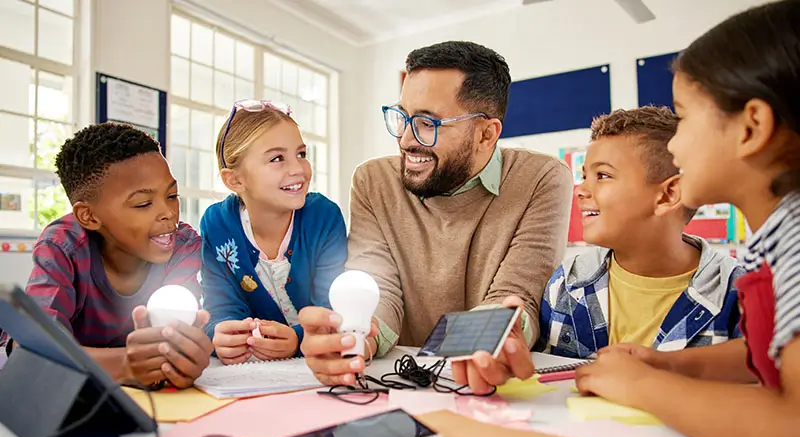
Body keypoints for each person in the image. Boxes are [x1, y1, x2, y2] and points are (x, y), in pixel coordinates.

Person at [576, 0, 800, 437]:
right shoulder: (776, 238)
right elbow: (770, 355)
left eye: (686, 118)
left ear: (751, 127)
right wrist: (670, 366)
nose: (675, 146)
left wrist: (644, 387)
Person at [299, 41, 573, 392]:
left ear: (486, 134)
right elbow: (378, 286)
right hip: (396, 384)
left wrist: (488, 340)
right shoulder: (372, 181)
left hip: (499, 388)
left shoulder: (542, 178)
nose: (406, 139)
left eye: (428, 122)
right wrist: (360, 335)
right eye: (403, 117)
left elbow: (518, 292)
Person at [9, 122, 212, 389]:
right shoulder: (63, 245)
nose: (169, 213)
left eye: (172, 195)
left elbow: (176, 346)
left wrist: (185, 356)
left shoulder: (183, 246)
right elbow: (34, 347)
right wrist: (126, 364)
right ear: (89, 216)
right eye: (143, 203)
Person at [538, 106, 745, 366]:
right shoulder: (566, 283)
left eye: (603, 175)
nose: (581, 191)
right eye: (584, 176)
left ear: (668, 195)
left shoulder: (737, 293)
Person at [200, 101, 347, 365]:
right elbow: (219, 309)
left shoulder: (324, 217)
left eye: (301, 154)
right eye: (277, 158)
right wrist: (220, 336)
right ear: (234, 180)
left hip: (319, 368)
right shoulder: (216, 224)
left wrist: (298, 339)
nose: (298, 169)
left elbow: (334, 309)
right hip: (251, 374)